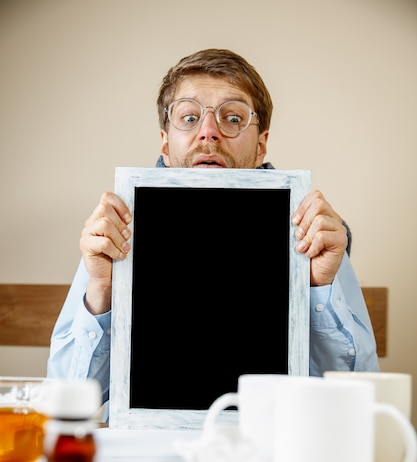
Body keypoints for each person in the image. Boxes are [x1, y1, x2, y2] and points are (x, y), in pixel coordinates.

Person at [47, 48, 380, 418]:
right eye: (189, 117)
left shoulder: (312, 233)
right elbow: (63, 399)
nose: (209, 132)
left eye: (233, 118)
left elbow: (361, 402)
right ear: (165, 143)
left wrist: (318, 285)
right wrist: (102, 291)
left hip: (270, 450)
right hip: (143, 453)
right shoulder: (120, 229)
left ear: (261, 146)